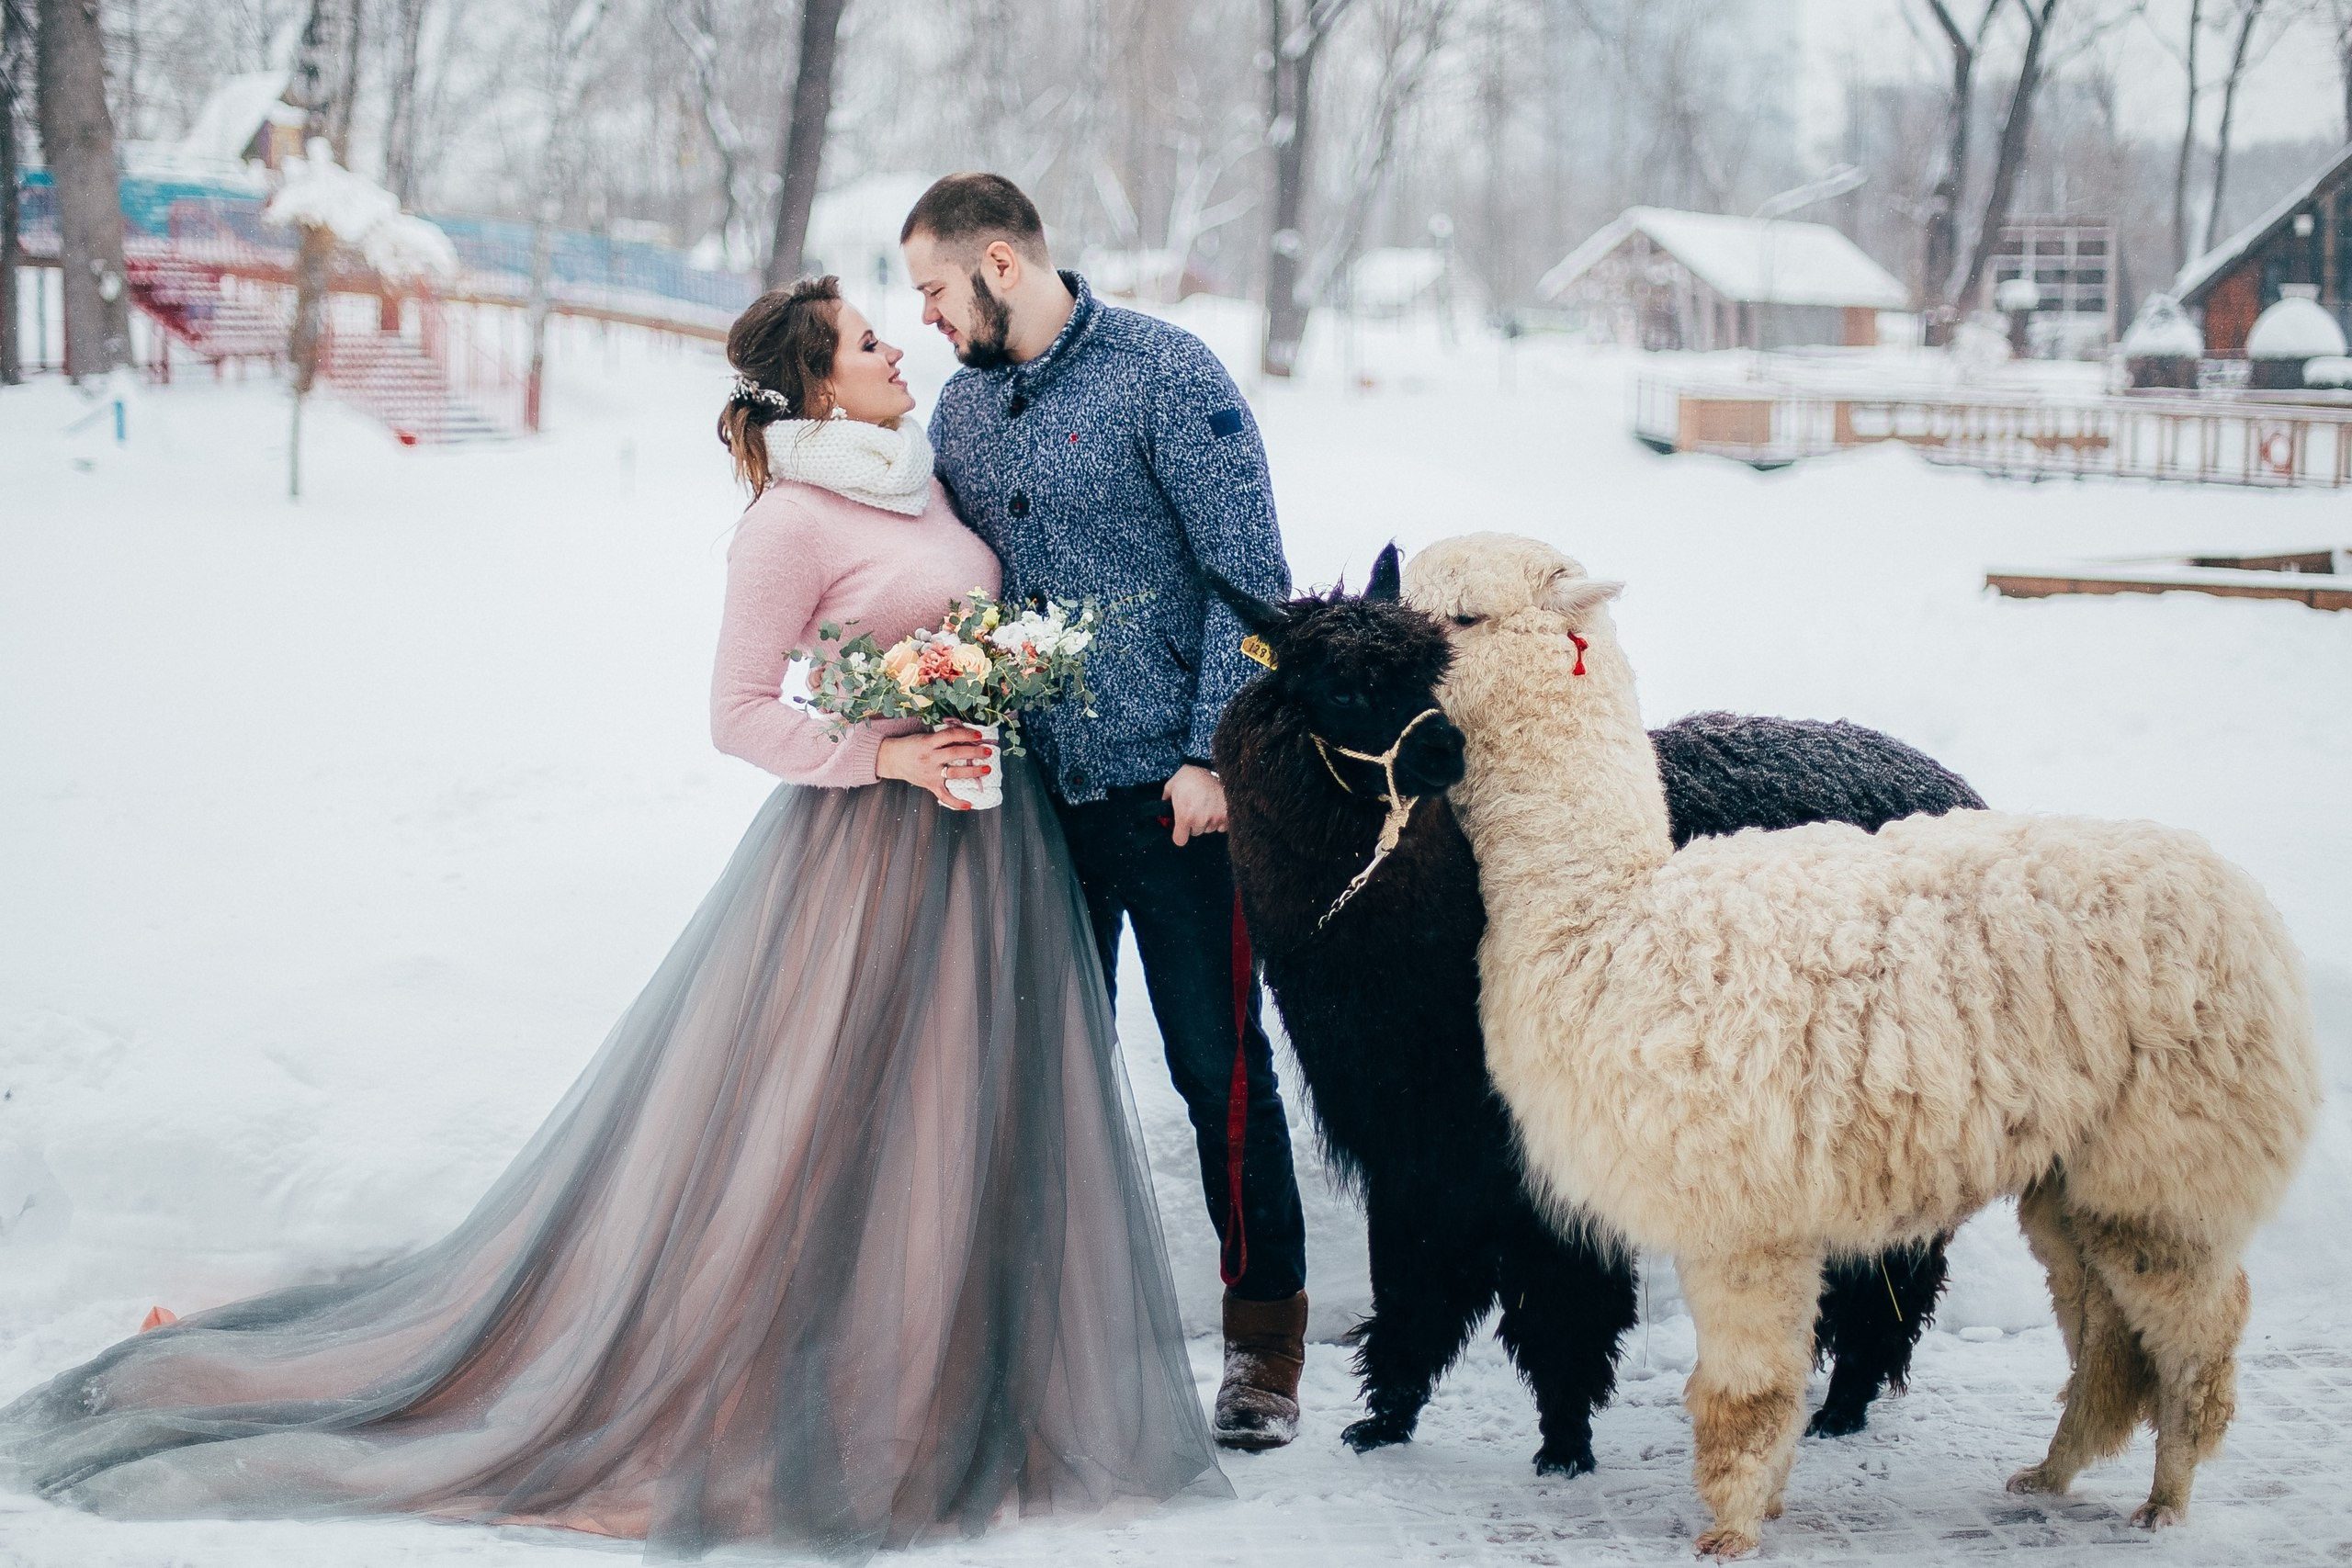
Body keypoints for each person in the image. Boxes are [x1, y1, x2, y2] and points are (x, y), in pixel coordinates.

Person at [0, 276, 1225, 1560]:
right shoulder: (787, 522)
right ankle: (829, 1391)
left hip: (994, 848)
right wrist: (887, 754)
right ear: (818, 385)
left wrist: (1001, 683)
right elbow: (738, 713)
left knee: (969, 1110)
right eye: (869, 342)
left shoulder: (920, 481)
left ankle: (960, 1376)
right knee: (844, 1120)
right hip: (870, 859)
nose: (896, 350)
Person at [903, 174, 1312, 1451]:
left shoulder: (1163, 373)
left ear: (1001, 264)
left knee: (1217, 1072)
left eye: (933, 289)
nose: (925, 317)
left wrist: (1212, 756)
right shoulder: (962, 412)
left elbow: (1252, 584)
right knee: (1041, 1073)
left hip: (1179, 807)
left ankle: (1265, 1344)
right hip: (1035, 809)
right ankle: (1043, 1338)